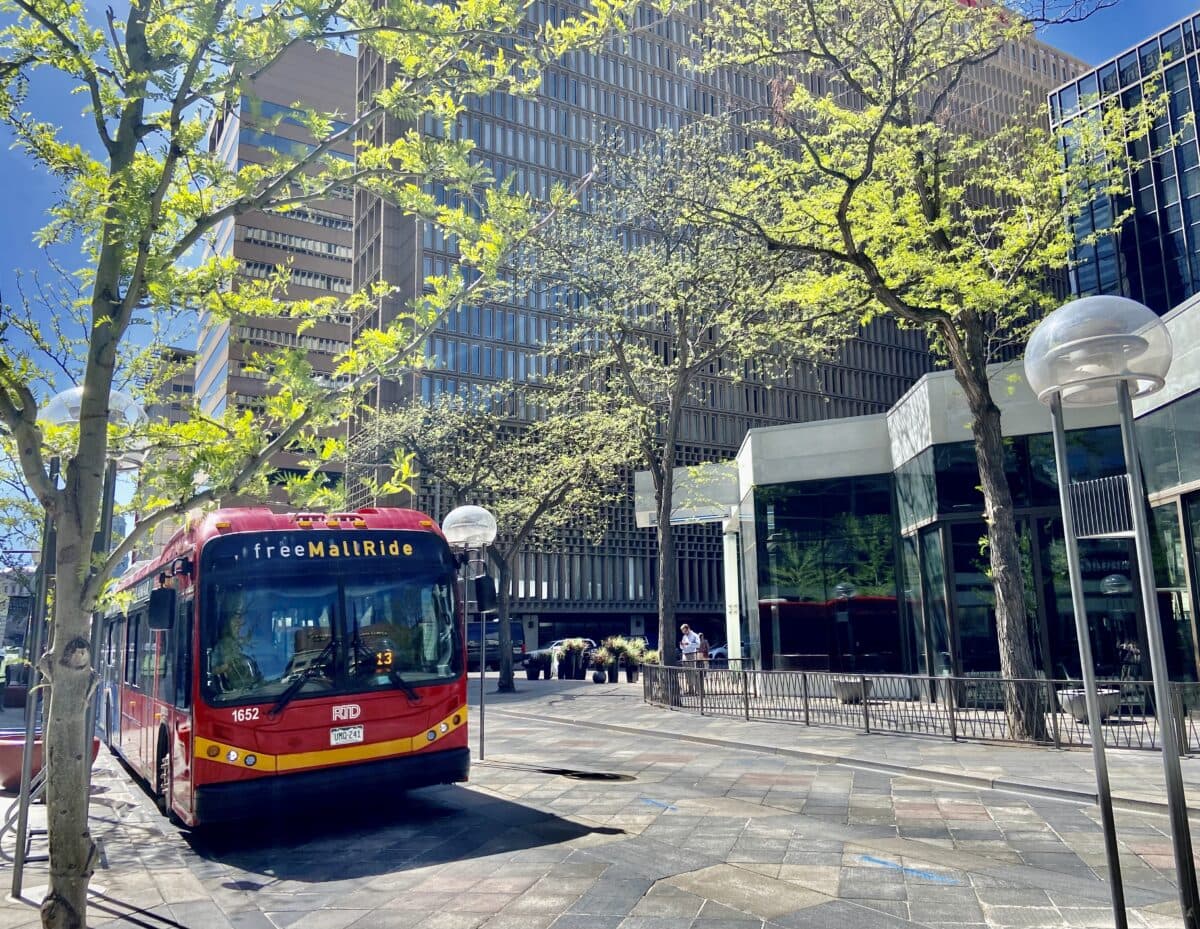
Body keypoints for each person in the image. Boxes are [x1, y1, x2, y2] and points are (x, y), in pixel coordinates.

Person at [212, 609, 260, 692]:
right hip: (235, 693)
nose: (238, 628)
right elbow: (209, 671)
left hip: (258, 689)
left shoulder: (256, 643)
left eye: (241, 624)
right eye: (235, 624)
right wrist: (225, 667)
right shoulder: (222, 646)